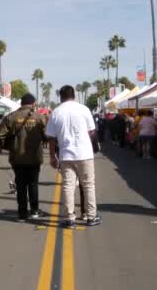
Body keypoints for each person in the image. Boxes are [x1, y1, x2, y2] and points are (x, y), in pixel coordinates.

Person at [46, 85, 100, 228]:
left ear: (61, 96)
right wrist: (93, 146)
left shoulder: (56, 112)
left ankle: (69, 218)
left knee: (68, 186)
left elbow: (51, 137)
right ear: (73, 95)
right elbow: (92, 132)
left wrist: (52, 156)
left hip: (66, 155)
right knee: (88, 185)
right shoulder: (84, 109)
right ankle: (91, 216)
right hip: (85, 154)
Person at [0, 93, 47, 222]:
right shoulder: (40, 117)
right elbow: (47, 135)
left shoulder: (11, 117)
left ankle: (22, 213)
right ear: (33, 103)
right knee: (33, 183)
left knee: (20, 185)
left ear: (21, 103)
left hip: (17, 157)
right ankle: (35, 211)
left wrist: (8, 147)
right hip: (34, 157)